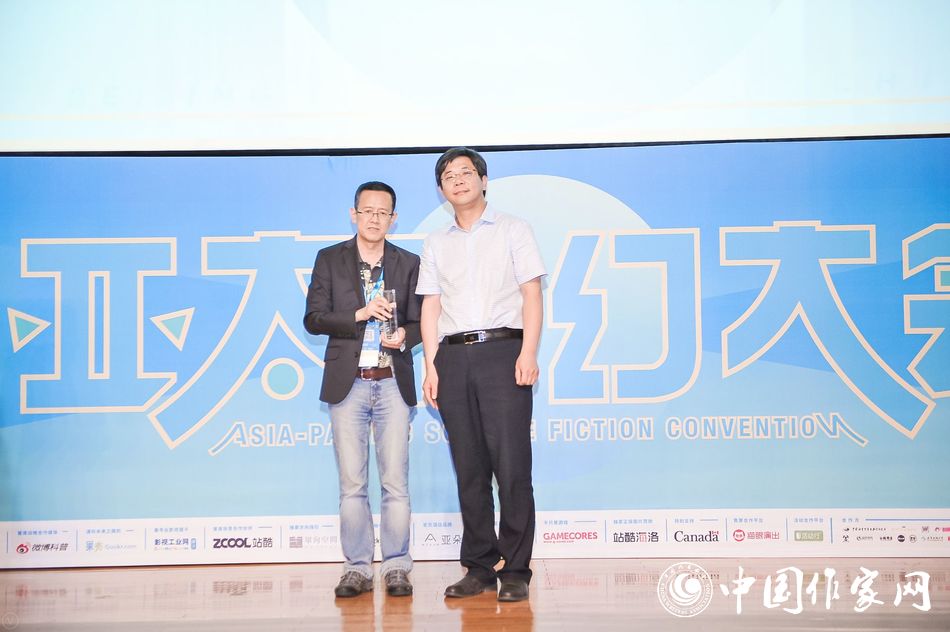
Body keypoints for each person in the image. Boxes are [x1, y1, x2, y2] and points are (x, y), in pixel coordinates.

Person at [416, 147, 545, 602]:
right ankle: (479, 566)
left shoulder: (514, 228)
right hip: (453, 357)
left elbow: (532, 294)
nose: (458, 180)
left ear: (484, 180)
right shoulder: (436, 242)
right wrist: (431, 366)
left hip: (504, 351)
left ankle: (516, 569)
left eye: (466, 172)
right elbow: (430, 306)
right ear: (441, 189)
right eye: (448, 175)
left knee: (512, 467)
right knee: (469, 468)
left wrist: (528, 351)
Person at [304, 181, 422, 598]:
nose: (374, 218)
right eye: (367, 211)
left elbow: (423, 320)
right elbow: (313, 319)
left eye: (382, 212)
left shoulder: (409, 262)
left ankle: (396, 566)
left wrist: (405, 336)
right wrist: (360, 313)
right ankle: (356, 567)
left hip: (392, 382)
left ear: (394, 218)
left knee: (395, 483)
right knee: (352, 484)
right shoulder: (329, 259)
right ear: (353, 214)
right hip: (348, 384)